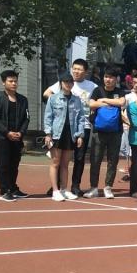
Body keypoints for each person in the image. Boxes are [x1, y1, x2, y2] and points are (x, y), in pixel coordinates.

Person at [43, 58, 96, 196]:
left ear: (85, 71)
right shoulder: (58, 92)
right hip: (58, 130)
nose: (76, 71)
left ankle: (71, 187)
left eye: (80, 69)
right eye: (75, 68)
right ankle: (55, 188)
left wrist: (93, 109)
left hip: (78, 129)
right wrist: (48, 133)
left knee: (75, 159)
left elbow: (84, 114)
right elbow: (47, 98)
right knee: (56, 161)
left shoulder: (89, 88)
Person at [84, 67, 126, 199]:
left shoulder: (119, 91)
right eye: (106, 77)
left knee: (113, 160)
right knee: (95, 160)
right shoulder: (98, 90)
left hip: (116, 132)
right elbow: (91, 104)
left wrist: (103, 101)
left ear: (116, 79)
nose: (108, 79)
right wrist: (111, 103)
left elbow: (121, 102)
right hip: (99, 131)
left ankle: (108, 187)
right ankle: (94, 188)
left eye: (111, 77)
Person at [44, 72, 85, 202]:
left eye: (70, 82)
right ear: (61, 83)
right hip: (57, 134)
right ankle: (55, 191)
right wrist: (48, 134)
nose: (68, 84)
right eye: (66, 82)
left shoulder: (77, 100)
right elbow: (48, 117)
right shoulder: (53, 98)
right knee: (55, 163)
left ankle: (64, 189)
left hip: (70, 134)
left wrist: (80, 135)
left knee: (65, 164)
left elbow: (81, 119)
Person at [0, 69, 29, 201]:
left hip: (17, 138)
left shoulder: (23, 100)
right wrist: (7, 132)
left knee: (14, 165)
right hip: (3, 138)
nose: (14, 83)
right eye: (10, 81)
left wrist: (21, 133)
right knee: (3, 165)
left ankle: (13, 188)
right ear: (4, 83)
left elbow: (26, 119)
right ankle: (4, 190)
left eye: (15, 81)